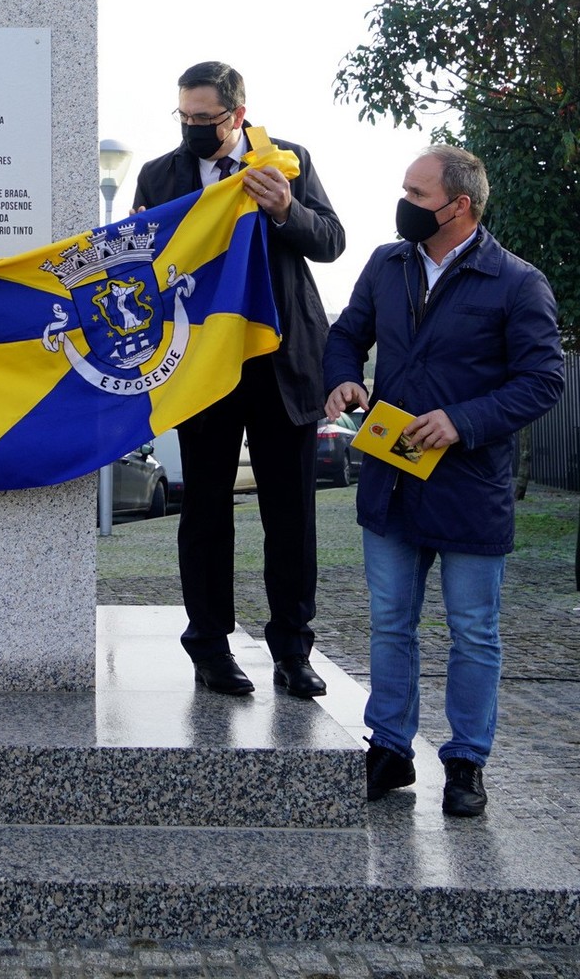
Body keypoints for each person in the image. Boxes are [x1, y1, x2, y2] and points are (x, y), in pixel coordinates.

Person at [323, 145, 562, 817]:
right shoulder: (386, 264)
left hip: (470, 489)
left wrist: (462, 421)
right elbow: (346, 335)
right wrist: (342, 378)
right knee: (389, 623)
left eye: (416, 194)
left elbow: (543, 381)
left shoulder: (518, 283)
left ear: (459, 205)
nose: (404, 204)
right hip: (392, 483)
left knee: (474, 631)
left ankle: (465, 763)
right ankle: (389, 748)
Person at [131, 61, 344, 697]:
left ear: (238, 115)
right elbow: (146, 268)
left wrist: (286, 210)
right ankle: (209, 647)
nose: (193, 128)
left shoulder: (286, 160)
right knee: (203, 511)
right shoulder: (158, 174)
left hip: (282, 362)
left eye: (206, 118)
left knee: (291, 515)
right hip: (202, 366)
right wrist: (135, 243)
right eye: (184, 117)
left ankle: (293, 650)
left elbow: (331, 241)